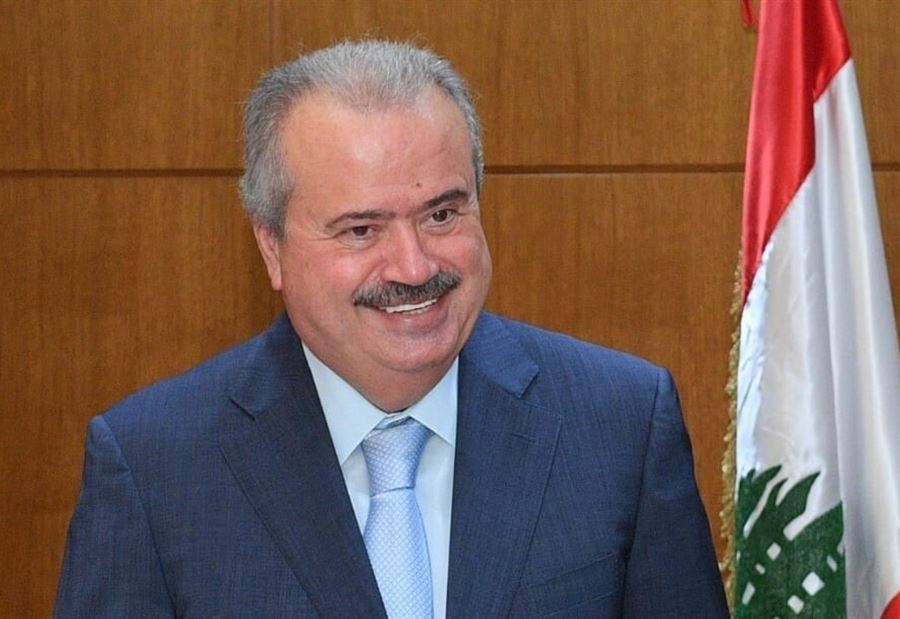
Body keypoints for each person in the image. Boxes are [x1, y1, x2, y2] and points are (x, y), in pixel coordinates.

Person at [55, 40, 728, 618]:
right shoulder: (155, 468)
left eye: (441, 215)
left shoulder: (621, 425)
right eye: (361, 229)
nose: (414, 266)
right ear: (272, 248)